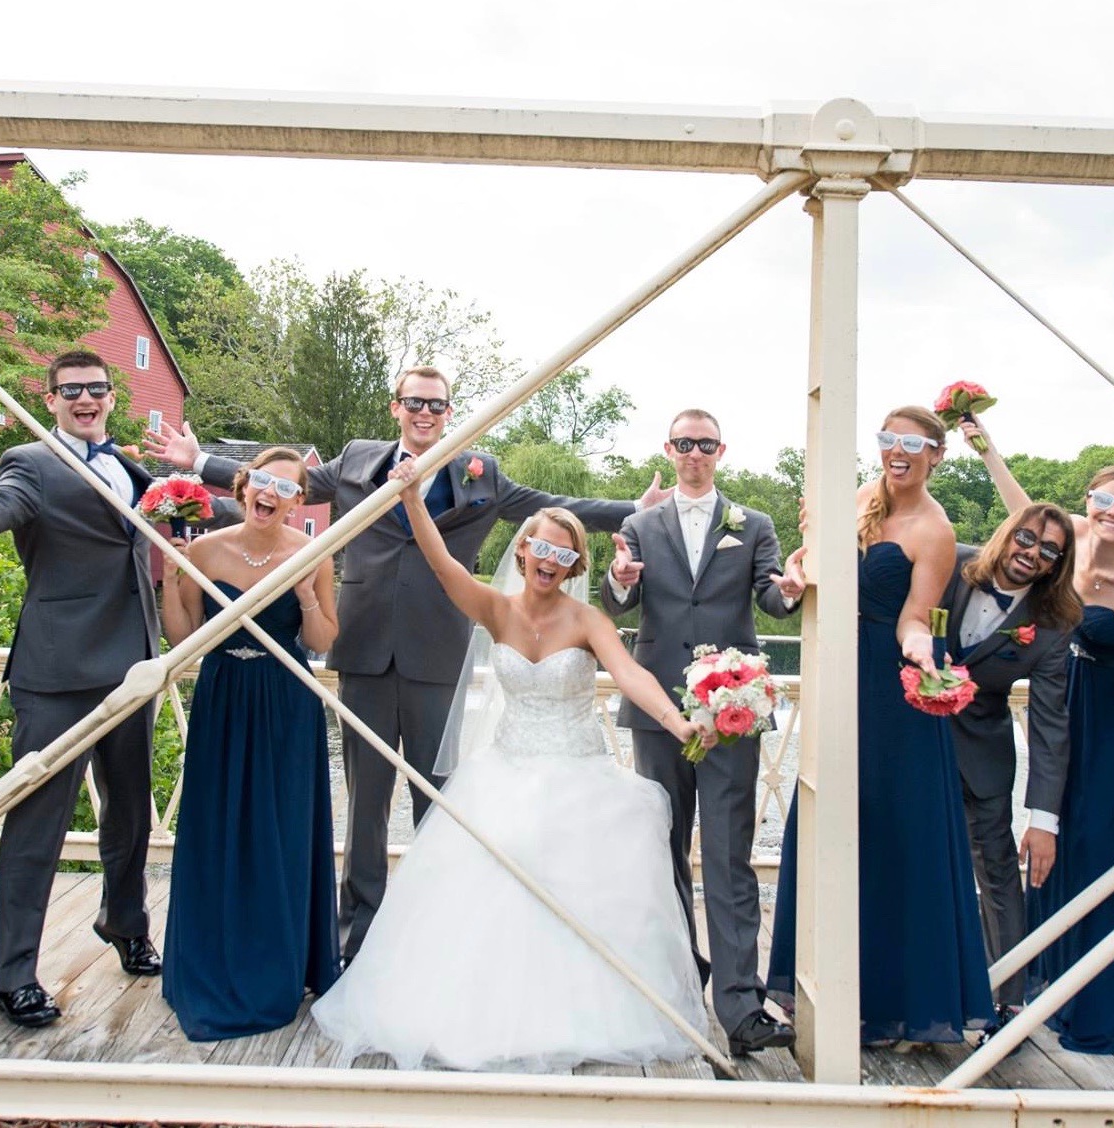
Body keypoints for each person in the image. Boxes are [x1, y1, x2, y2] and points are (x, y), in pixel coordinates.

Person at [310, 460, 710, 1071]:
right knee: (488, 871)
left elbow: (630, 673)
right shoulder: (495, 609)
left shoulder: (589, 621)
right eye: (540, 547)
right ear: (522, 550)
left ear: (574, 565)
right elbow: (443, 566)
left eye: (563, 554)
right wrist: (412, 499)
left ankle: (579, 1010)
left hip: (579, 776)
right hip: (505, 770)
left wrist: (678, 721)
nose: (549, 560)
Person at [269, 365, 664, 963]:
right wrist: (199, 465)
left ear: (450, 412)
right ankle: (360, 936)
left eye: (437, 405)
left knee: (438, 801)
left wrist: (634, 507)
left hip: (438, 654)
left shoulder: (481, 474)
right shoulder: (356, 459)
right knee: (365, 804)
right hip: (364, 649)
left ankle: (434, 930)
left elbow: (554, 507)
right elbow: (289, 483)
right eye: (414, 403)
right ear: (396, 407)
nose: (425, 413)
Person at [0, 349, 241, 1028]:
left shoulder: (129, 466)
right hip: (58, 670)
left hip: (133, 663)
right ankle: (16, 974)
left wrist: (220, 484)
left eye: (96, 388)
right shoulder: (30, 463)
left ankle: (125, 924)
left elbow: (219, 511)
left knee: (129, 812)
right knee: (37, 821)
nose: (85, 399)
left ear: (110, 397)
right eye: (71, 391)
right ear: (50, 400)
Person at [769, 405, 994, 1046]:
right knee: (827, 820)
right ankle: (817, 983)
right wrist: (797, 571)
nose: (898, 451)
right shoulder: (860, 496)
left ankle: (893, 1002)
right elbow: (812, 557)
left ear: (936, 455)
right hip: (837, 672)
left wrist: (922, 648)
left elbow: (915, 617)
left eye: (913, 444)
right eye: (888, 439)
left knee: (895, 833)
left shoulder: (936, 530)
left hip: (891, 688)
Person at [965, 417, 1114, 1052]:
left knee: (1101, 844)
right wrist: (987, 448)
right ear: (1088, 501)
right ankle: (1041, 977)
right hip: (1059, 706)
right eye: (1105, 500)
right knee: (1050, 837)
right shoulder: (1068, 539)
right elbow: (1021, 511)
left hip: (1112, 718)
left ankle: (1106, 992)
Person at [599, 407, 805, 1057]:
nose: (694, 453)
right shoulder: (639, 525)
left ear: (721, 451)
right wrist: (618, 581)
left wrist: (791, 589)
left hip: (731, 710)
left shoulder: (754, 524)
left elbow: (772, 599)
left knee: (728, 852)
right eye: (684, 443)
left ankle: (741, 1005)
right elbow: (616, 600)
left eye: (705, 444)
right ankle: (679, 981)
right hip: (658, 707)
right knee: (663, 849)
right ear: (669, 448)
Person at [158, 448, 341, 1041]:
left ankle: (281, 961)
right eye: (262, 481)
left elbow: (321, 640)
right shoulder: (206, 550)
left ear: (297, 500)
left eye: (285, 488)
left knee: (282, 831)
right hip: (224, 697)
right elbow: (183, 637)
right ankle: (213, 957)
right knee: (218, 828)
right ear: (243, 486)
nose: (270, 493)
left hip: (287, 701)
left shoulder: (314, 551)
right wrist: (172, 577)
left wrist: (307, 591)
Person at [937, 503, 1079, 1028]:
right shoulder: (949, 561)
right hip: (912, 741)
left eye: (1049, 551)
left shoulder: (1055, 624)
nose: (1032, 553)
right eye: (1026, 538)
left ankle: (1009, 1000)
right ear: (1007, 534)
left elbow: (1050, 726)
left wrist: (1044, 820)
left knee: (997, 875)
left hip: (982, 755)